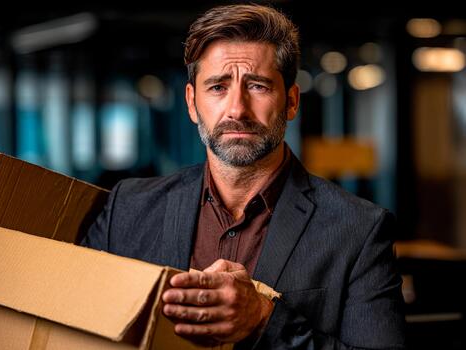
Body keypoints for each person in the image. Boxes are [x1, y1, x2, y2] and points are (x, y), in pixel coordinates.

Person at [82, 4, 405, 349]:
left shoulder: (359, 231)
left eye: (258, 86)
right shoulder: (127, 208)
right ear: (192, 103)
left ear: (291, 102)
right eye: (218, 87)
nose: (237, 109)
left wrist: (265, 319)